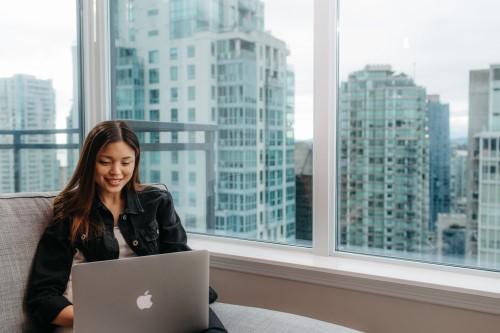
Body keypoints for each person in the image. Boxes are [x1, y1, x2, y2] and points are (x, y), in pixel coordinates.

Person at [26, 120, 227, 333]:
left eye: (126, 162)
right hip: (95, 315)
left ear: (136, 161)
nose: (116, 172)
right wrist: (100, 316)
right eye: (105, 162)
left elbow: (180, 264)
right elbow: (43, 296)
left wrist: (189, 296)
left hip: (151, 304)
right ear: (90, 162)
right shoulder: (69, 212)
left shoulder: (157, 201)